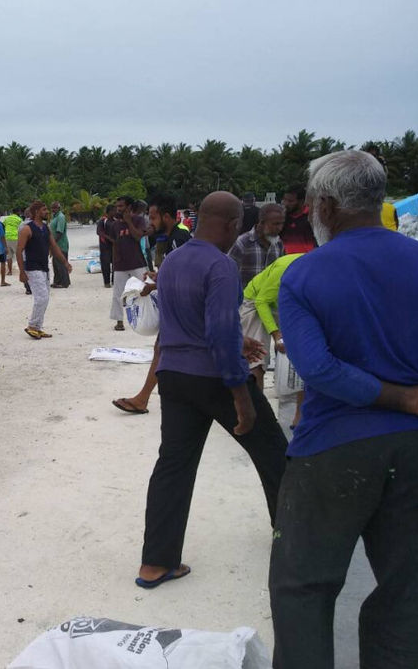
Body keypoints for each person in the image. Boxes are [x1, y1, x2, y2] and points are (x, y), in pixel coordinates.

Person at [269, 150, 418, 669]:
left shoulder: (306, 274)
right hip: (415, 447)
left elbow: (319, 370)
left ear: (327, 206)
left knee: (303, 587)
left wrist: (398, 396)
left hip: (334, 451)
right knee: (408, 590)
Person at [136, 191, 288, 590]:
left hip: (174, 376)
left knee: (173, 466)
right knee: (274, 454)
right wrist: (242, 397)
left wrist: (238, 341)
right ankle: (292, 541)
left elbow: (189, 321)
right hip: (214, 378)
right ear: (233, 224)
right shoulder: (220, 267)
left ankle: (156, 563)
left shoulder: (171, 262)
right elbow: (219, 333)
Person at [112, 195, 190, 415]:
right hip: (176, 304)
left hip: (181, 305)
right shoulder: (171, 236)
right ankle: (144, 398)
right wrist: (157, 276)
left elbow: (183, 275)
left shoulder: (179, 238)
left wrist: (154, 286)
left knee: (162, 350)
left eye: (154, 217)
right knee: (163, 350)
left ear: (167, 216)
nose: (151, 222)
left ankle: (142, 399)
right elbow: (175, 271)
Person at [239, 253, 303, 391]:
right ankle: (255, 406)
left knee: (298, 360)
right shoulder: (285, 268)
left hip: (283, 305)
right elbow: (261, 301)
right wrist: (276, 333)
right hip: (255, 303)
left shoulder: (318, 271)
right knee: (256, 360)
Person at [18, 200, 72, 339]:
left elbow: (54, 246)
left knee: (45, 297)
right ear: (36, 212)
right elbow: (19, 250)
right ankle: (32, 326)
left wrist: (65, 263)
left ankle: (38, 327)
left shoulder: (45, 228)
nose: (47, 212)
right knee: (41, 297)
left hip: (44, 267)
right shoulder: (27, 229)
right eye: (44, 210)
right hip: (32, 267)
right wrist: (21, 271)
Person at [109, 196, 150, 331]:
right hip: (121, 264)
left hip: (137, 262)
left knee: (144, 290)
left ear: (129, 207)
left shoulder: (139, 220)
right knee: (118, 294)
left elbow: (138, 236)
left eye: (121, 206)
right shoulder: (115, 225)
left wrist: (129, 222)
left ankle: (146, 317)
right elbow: (115, 243)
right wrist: (115, 261)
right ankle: (119, 321)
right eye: (117, 206)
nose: (118, 209)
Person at [228, 203, 286, 289]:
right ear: (262, 223)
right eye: (276, 224)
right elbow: (228, 273)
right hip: (245, 299)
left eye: (282, 224)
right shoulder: (242, 243)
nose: (280, 228)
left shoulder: (279, 244)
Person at [280, 185, 316, 254]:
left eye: (290, 201)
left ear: (302, 201)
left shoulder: (312, 217)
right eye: (285, 200)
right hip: (285, 260)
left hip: (306, 259)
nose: (286, 204)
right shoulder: (281, 217)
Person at [48, 201, 70, 288]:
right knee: (55, 263)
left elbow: (59, 232)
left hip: (61, 244)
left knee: (61, 263)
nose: (53, 209)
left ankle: (64, 283)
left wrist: (53, 244)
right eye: (52, 208)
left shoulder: (61, 217)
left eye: (54, 208)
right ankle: (57, 281)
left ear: (58, 208)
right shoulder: (54, 217)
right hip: (55, 243)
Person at [96, 205, 116, 288]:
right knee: (105, 265)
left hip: (114, 247)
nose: (115, 212)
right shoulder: (103, 221)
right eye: (113, 210)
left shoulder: (116, 221)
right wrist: (110, 239)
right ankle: (107, 282)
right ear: (109, 212)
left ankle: (114, 281)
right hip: (105, 247)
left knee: (115, 265)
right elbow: (99, 232)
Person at [2, 207, 23, 276]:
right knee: (19, 255)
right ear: (18, 212)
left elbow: (3, 226)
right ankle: (21, 271)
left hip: (7, 238)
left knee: (9, 256)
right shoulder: (19, 219)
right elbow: (22, 229)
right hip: (15, 238)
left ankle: (10, 271)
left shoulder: (7, 218)